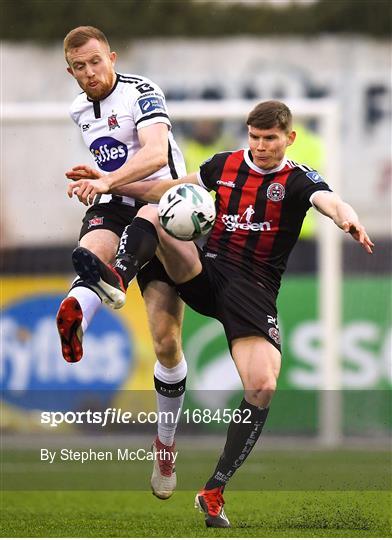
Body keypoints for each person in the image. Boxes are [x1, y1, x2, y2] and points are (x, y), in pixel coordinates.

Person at [67, 100, 374, 528]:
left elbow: (330, 201)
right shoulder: (224, 165)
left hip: (254, 292)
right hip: (206, 271)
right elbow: (167, 188)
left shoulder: (299, 179)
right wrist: (108, 183)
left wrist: (350, 221)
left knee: (263, 385)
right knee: (155, 212)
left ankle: (213, 490)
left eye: (270, 139)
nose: (262, 146)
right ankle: (115, 280)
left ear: (289, 138)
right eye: (255, 137)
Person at [57, 25, 189, 500]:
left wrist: (107, 180)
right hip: (119, 199)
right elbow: (110, 165)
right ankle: (76, 316)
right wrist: (98, 180)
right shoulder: (78, 109)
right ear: (69, 71)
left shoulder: (142, 92)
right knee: (90, 251)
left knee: (166, 341)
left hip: (165, 205)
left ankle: (166, 447)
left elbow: (154, 154)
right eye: (79, 67)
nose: (90, 73)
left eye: (96, 62)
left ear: (111, 57)